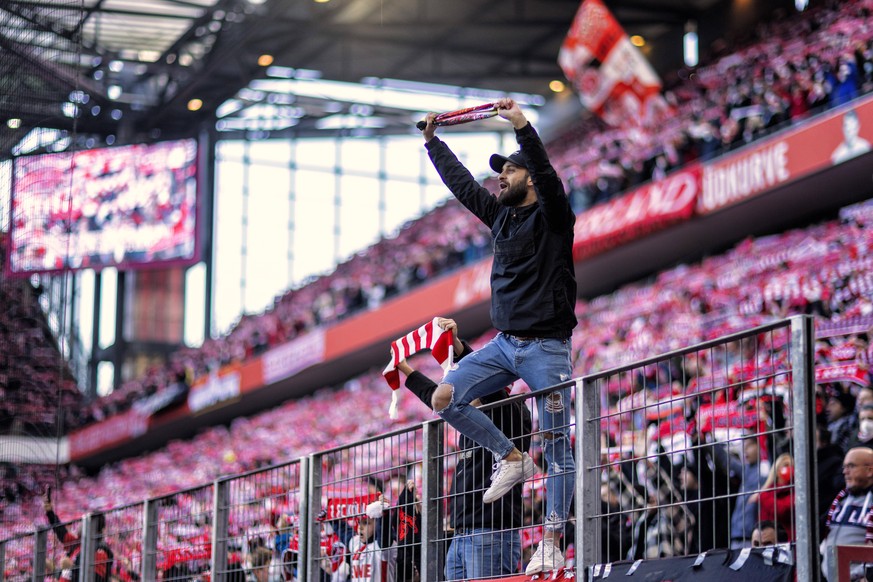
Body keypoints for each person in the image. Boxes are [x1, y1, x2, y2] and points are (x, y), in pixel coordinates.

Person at [422, 97, 577, 575]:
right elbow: (465, 187)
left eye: (508, 171)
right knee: (444, 397)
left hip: (546, 349)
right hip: (504, 344)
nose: (499, 178)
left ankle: (552, 539)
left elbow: (550, 181)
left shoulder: (554, 217)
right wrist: (433, 144)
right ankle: (509, 456)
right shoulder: (501, 217)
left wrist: (523, 128)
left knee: (556, 446)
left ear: (529, 176)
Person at [396, 317, 532, 579]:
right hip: (461, 533)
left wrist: (458, 347)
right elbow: (436, 398)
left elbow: (491, 390)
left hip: (491, 532)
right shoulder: (470, 424)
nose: (464, 392)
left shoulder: (511, 411)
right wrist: (404, 368)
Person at [821, 447, 873, 581]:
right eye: (844, 467)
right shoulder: (840, 501)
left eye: (851, 466)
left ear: (869, 470)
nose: (845, 472)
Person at [43, 491, 114, 582]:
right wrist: (50, 512)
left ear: (91, 527)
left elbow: (95, 579)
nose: (80, 524)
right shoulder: (79, 543)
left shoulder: (99, 551)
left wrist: (72, 568)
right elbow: (62, 533)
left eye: (83, 521)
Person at [730, 437, 770, 549]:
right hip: (736, 536)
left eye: (749, 446)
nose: (745, 451)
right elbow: (726, 460)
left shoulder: (767, 468)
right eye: (744, 447)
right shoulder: (745, 469)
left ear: (759, 446)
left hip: (755, 537)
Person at [348, 501, 397, 582]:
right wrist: (330, 519)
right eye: (359, 523)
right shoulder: (356, 543)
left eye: (366, 523)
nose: (360, 527)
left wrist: (383, 514)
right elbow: (343, 531)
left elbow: (384, 532)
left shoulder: (383, 546)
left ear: (377, 525)